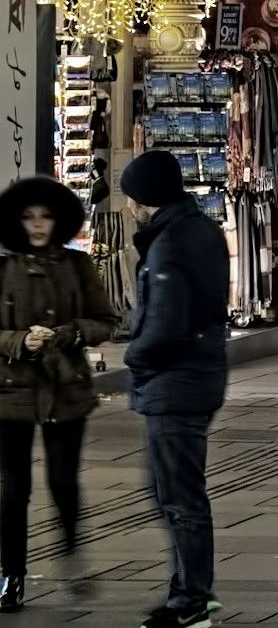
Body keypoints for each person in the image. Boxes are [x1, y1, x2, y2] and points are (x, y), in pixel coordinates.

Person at [119, 150, 225, 628]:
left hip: (175, 384)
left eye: (131, 199)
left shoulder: (168, 245)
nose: (128, 208)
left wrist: (134, 357)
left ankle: (191, 601)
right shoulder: (204, 230)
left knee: (178, 498)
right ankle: (190, 591)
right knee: (177, 494)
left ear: (146, 199)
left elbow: (165, 325)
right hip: (201, 376)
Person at [0, 177, 114, 609]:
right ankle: (12, 575)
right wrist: (17, 342)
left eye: (45, 216)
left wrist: (69, 334)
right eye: (28, 217)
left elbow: (105, 320)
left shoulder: (77, 265)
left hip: (66, 389)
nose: (37, 225)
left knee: (63, 481)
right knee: (14, 488)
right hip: (11, 391)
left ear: (58, 219)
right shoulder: (3, 269)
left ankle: (70, 552)